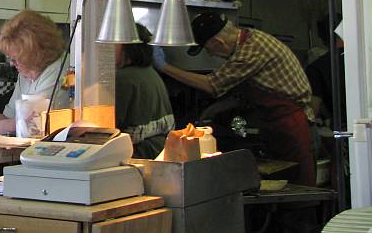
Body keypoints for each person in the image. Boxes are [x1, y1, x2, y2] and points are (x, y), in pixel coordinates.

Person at [154, 12, 316, 186]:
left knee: (297, 184)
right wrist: (215, 109)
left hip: (289, 125)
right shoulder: (251, 40)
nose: (212, 55)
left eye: (208, 49)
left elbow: (212, 85)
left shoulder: (251, 50)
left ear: (218, 42)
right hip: (274, 123)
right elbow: (242, 94)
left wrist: (165, 68)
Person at [115, 24, 175, 158]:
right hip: (159, 151)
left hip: (138, 155)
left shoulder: (123, 78)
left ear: (128, 47)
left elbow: (109, 125)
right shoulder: (150, 73)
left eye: (114, 43)